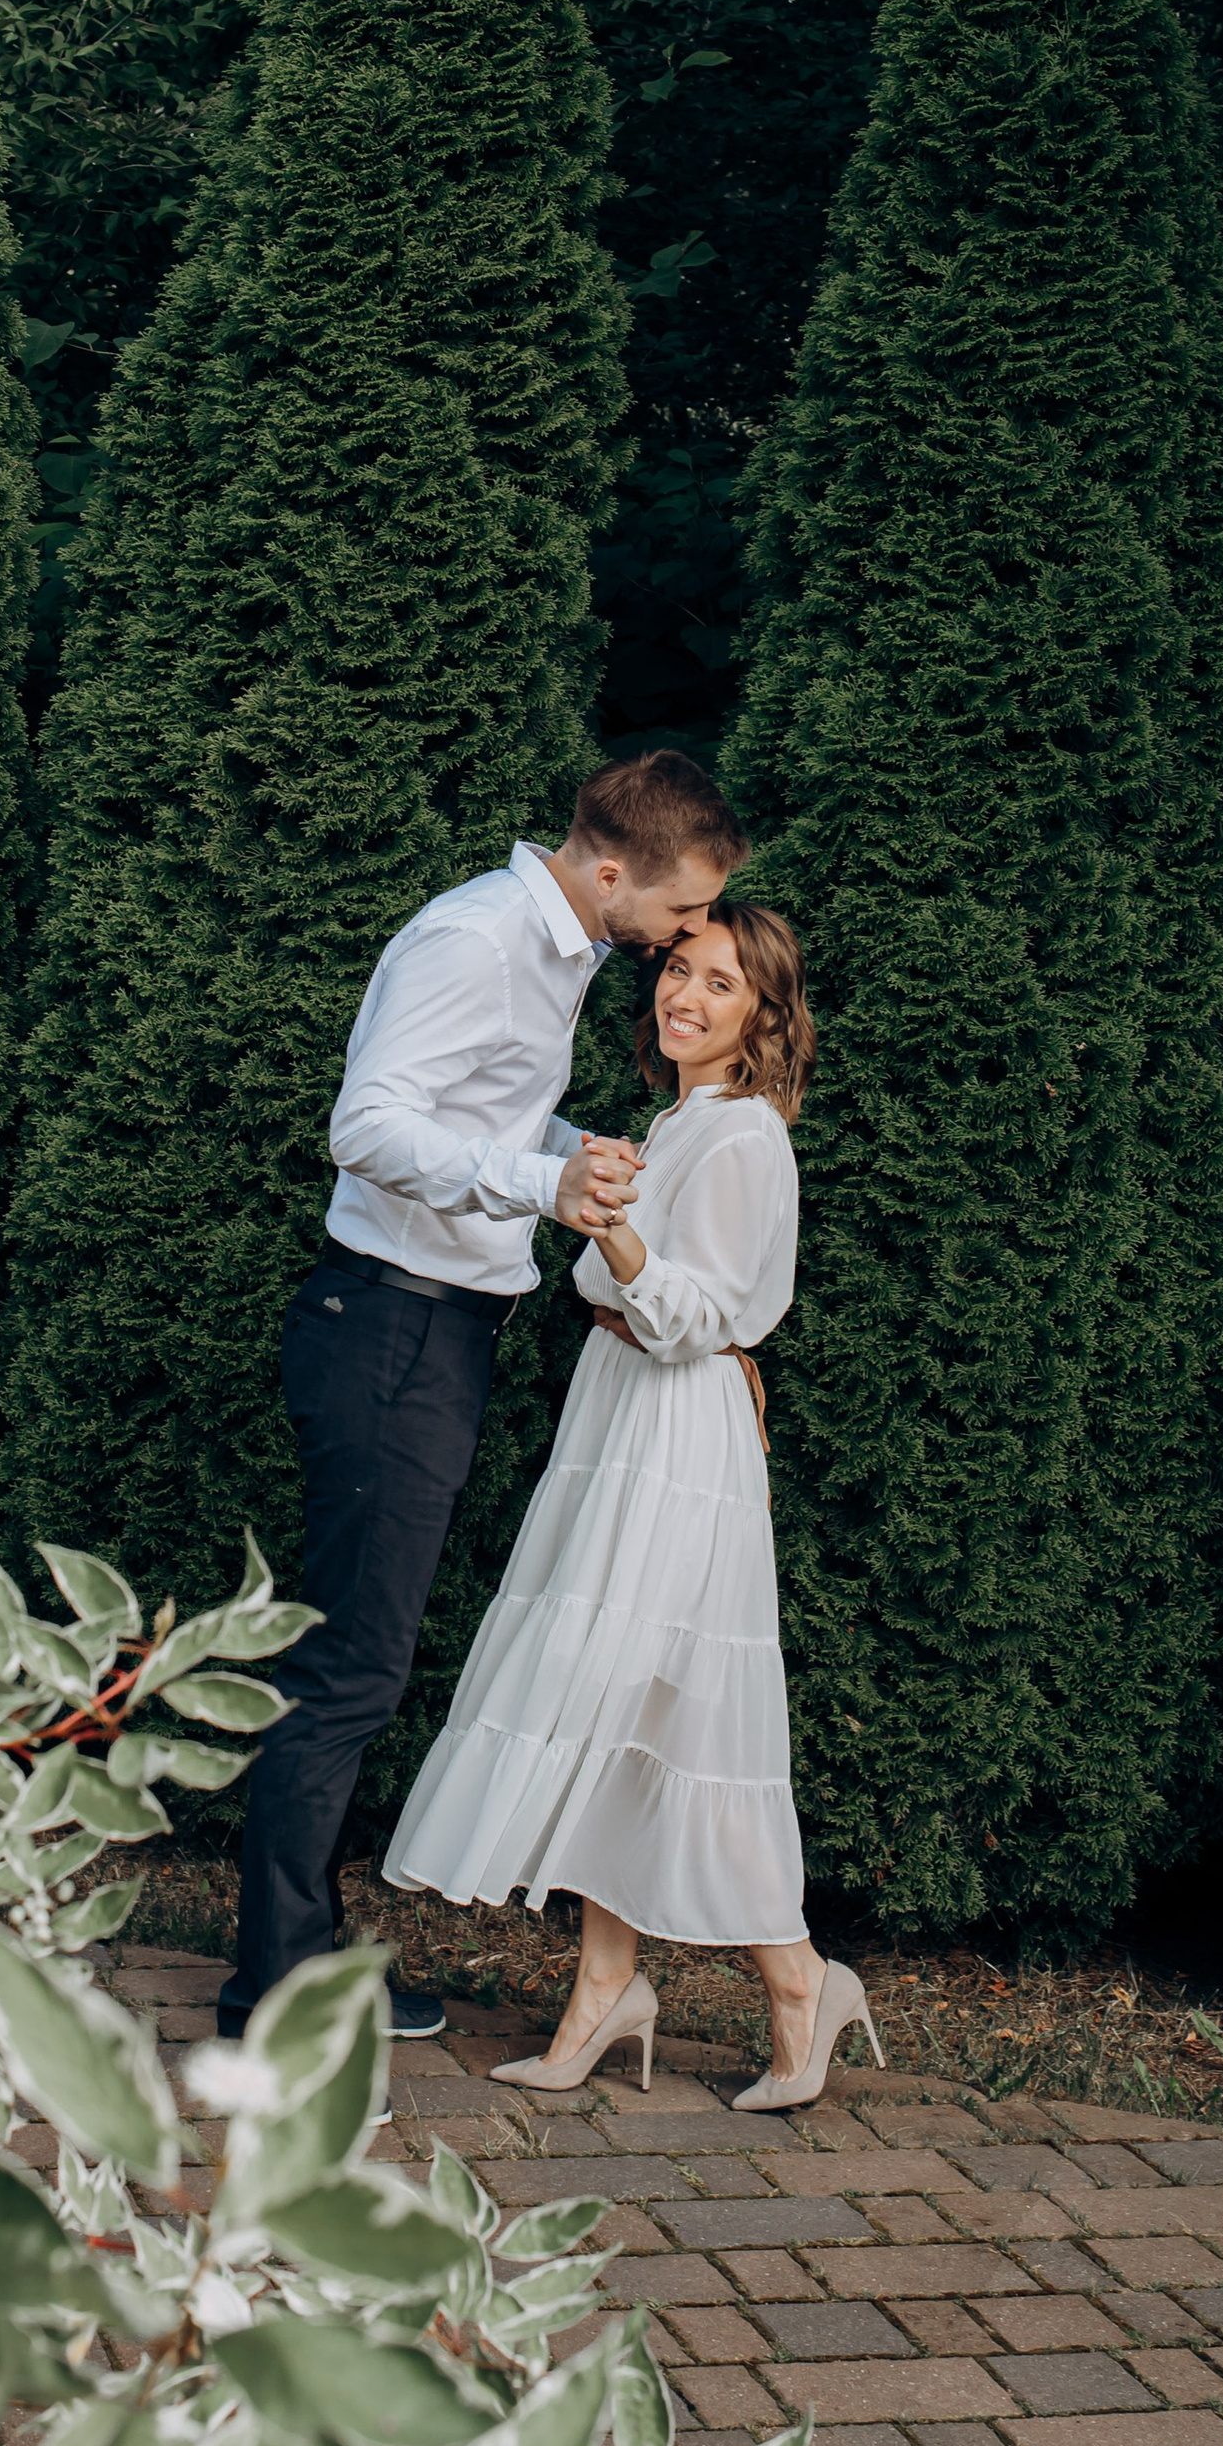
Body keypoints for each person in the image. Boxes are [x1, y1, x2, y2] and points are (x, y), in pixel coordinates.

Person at [215, 751, 750, 2043]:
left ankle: (303, 1959)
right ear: (613, 872)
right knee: (348, 1667)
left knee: (360, 1659)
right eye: (679, 916)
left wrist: (570, 1148)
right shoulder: (476, 939)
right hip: (390, 1326)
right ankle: (272, 1989)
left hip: (433, 1330)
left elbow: (477, 1115)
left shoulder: (555, 949)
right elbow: (367, 1126)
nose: (683, 941)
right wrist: (541, 1187)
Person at [383, 897, 881, 2110]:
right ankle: (608, 1987)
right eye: (677, 972)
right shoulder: (678, 1119)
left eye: (719, 984)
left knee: (676, 1713)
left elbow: (702, 1317)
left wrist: (613, 1239)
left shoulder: (744, 1137)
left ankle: (802, 1982)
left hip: (677, 1431)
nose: (684, 996)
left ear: (764, 1016)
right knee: (621, 1704)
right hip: (619, 1416)